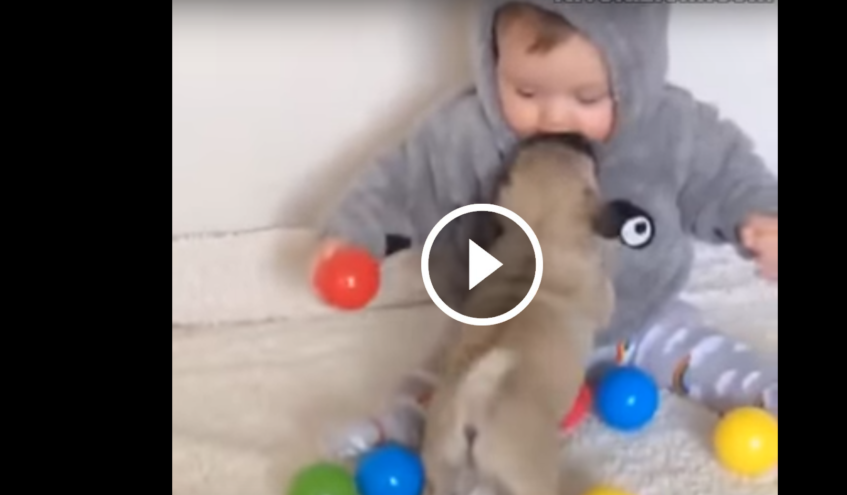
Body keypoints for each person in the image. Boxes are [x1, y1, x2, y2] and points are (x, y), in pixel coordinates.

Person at [313, 0, 778, 455]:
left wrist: (761, 217)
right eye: (526, 92)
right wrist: (356, 235)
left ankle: (763, 390)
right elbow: (403, 180)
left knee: (700, 351)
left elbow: (727, 174)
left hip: (637, 321)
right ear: (492, 62)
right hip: (510, 329)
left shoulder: (671, 129)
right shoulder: (465, 133)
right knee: (460, 380)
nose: (554, 116)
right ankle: (399, 425)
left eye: (587, 98)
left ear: (636, 77)